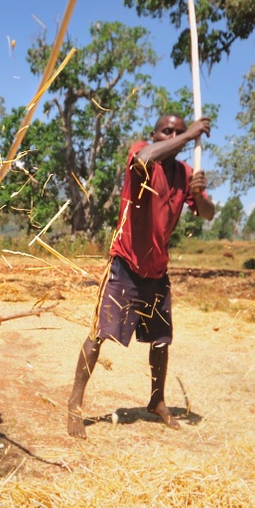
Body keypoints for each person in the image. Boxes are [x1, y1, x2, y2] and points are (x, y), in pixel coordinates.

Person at [67, 113, 214, 439]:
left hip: (156, 271)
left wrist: (201, 194)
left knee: (161, 341)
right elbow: (146, 157)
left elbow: (208, 215)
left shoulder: (184, 173)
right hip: (125, 265)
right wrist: (190, 134)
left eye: (177, 131)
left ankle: (157, 400)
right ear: (154, 133)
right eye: (167, 131)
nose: (172, 135)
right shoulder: (143, 154)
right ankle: (74, 404)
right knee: (98, 334)